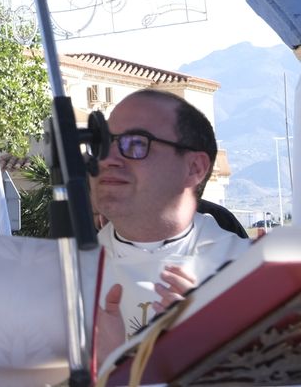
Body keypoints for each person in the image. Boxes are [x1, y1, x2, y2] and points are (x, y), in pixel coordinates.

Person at [91, 90, 248, 360]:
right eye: (102, 143)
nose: (107, 159)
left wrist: (210, 350)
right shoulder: (66, 275)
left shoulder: (248, 274)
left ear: (194, 168)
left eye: (136, 143)